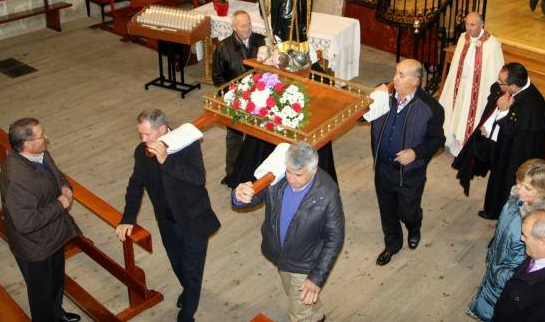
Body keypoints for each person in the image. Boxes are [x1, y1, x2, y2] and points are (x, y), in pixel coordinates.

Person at [115, 109, 220, 322]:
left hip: (193, 219)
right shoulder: (141, 151)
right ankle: (189, 290)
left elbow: (197, 178)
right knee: (177, 263)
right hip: (166, 220)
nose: (143, 140)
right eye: (140, 135)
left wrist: (166, 160)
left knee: (192, 269)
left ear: (162, 129)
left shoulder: (187, 144)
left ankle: (187, 314)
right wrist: (128, 218)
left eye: (147, 134)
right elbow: (135, 185)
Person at [233, 143, 344, 322]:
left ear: (313, 170)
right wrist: (239, 196)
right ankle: (317, 315)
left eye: (298, 174)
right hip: (280, 256)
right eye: (289, 171)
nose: (291, 179)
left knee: (299, 313)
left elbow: (335, 238)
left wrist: (316, 278)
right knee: (294, 293)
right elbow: (252, 198)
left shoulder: (327, 192)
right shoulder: (278, 178)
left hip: (305, 264)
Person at [0, 118, 81, 322]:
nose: (46, 137)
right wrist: (60, 204)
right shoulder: (17, 179)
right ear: (26, 144)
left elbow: (55, 173)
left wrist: (64, 185)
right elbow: (25, 223)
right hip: (34, 246)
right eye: (41, 135)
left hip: (52, 234)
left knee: (56, 280)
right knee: (40, 294)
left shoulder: (39, 153)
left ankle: (57, 313)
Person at [466, 159, 545, 321]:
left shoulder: (542, 224)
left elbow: (535, 264)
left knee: (501, 312)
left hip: (509, 279)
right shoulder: (518, 198)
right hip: (498, 264)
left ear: (544, 190)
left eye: (527, 188)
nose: (520, 190)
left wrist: (505, 276)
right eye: (518, 183)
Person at [370, 58, 444, 266]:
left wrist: (416, 152)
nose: (394, 78)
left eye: (401, 75)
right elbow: (362, 116)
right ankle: (392, 245)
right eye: (396, 72)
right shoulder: (383, 96)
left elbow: (438, 141)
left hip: (410, 174)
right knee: (387, 210)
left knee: (408, 211)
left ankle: (414, 227)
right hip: (383, 168)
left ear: (416, 81)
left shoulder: (431, 108)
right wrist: (370, 99)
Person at [452, 62, 545, 220]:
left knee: (507, 184)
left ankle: (504, 216)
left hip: (516, 157)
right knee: (497, 179)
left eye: (501, 82)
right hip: (502, 149)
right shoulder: (511, 90)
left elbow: (516, 134)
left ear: (514, 85)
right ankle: (492, 209)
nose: (498, 84)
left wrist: (504, 112)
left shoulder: (532, 106)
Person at [438, 11, 504, 157]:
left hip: (478, 89)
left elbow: (495, 70)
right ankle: (455, 139)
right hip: (461, 85)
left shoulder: (492, 44)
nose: (468, 28)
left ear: (482, 25)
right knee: (458, 112)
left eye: (472, 25)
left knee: (472, 114)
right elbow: (456, 64)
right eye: (466, 24)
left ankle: (468, 145)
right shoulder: (463, 38)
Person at [212, 10, 266, 186]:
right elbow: (218, 78)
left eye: (249, 23)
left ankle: (257, 173)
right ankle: (232, 174)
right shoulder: (223, 48)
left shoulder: (261, 41)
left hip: (260, 97)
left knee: (258, 138)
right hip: (236, 99)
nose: (248, 28)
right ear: (234, 27)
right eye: (243, 25)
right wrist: (234, 94)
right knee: (234, 138)